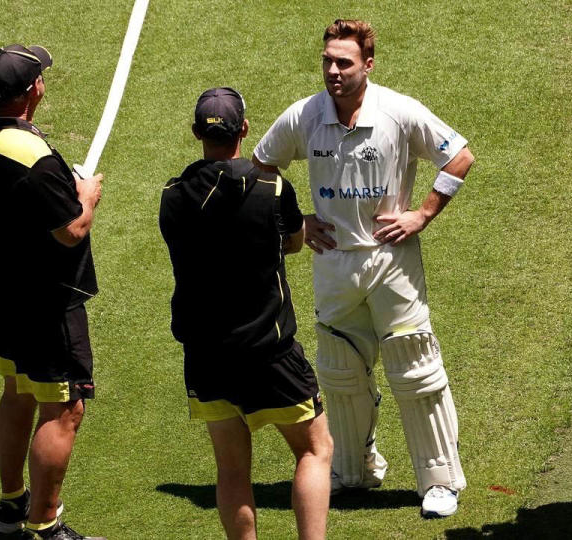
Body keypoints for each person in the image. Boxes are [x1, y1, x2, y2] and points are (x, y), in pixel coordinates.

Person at [252, 19, 474, 518]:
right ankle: (354, 471)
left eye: (344, 63)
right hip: (333, 262)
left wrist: (423, 213)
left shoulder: (398, 111)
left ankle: (440, 481)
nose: (333, 71)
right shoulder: (305, 115)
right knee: (340, 373)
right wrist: (299, 221)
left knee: (415, 370)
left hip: (391, 261)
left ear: (367, 65)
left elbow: (459, 157)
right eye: (328, 61)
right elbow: (262, 166)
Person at [159, 88, 333, 539]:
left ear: (197, 132)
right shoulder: (272, 187)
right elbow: (294, 242)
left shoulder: (173, 196)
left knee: (232, 469)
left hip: (206, 355)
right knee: (315, 450)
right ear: (246, 129)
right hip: (269, 354)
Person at [0, 44, 105, 540]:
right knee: (63, 406)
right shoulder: (32, 155)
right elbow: (70, 231)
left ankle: (11, 505)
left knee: (16, 388)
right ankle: (46, 523)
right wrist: (87, 194)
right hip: (45, 299)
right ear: (34, 88)